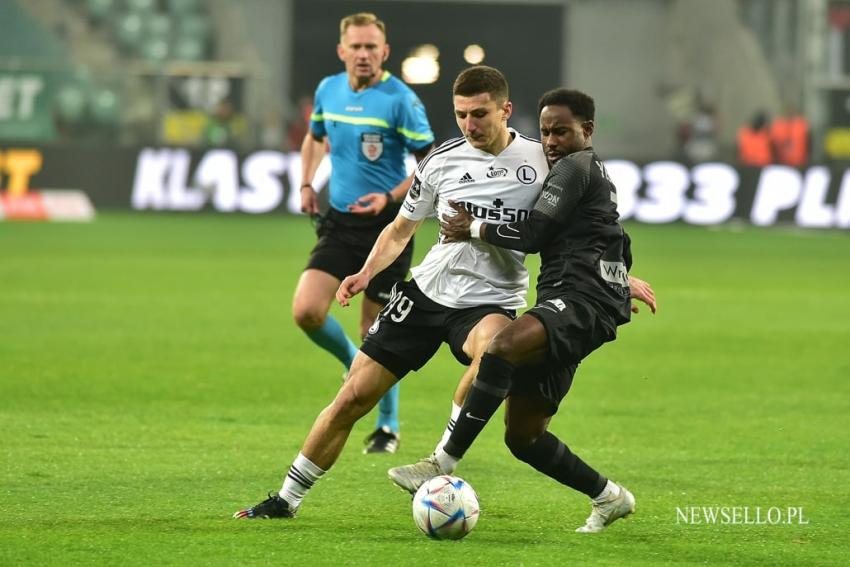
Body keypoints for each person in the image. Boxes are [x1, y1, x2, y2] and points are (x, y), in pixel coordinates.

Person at [233, 65, 552, 519]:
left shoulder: (541, 164)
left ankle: (439, 460)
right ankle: (286, 498)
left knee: (496, 351)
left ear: (506, 110)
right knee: (352, 397)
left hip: (489, 300)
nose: (470, 125)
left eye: (480, 114)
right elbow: (401, 229)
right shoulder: (441, 161)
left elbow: (577, 229)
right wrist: (365, 273)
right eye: (461, 114)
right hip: (426, 292)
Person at [387, 88, 656, 534]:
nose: (550, 140)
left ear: (587, 131)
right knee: (524, 436)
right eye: (546, 131)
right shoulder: (583, 171)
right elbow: (607, 235)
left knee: (501, 346)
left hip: (580, 301)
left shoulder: (575, 166)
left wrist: (473, 226)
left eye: (562, 131)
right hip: (573, 298)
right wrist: (621, 279)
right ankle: (609, 497)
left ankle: (440, 462)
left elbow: (535, 234)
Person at [293, 12, 435, 454]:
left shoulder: (401, 100)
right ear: (342, 51)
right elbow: (315, 137)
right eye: (356, 46)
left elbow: (430, 163)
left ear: (385, 52)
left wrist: (390, 198)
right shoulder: (328, 90)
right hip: (338, 222)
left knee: (377, 330)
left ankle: (387, 426)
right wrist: (306, 182)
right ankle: (354, 363)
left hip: (387, 227)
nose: (363, 54)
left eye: (371, 47)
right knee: (307, 311)